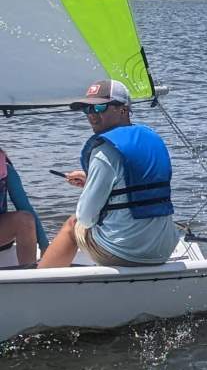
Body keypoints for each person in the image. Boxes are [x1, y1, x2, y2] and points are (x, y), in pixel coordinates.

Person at [37, 79, 183, 269]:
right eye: (87, 109)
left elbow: (86, 217)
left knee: (73, 225)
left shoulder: (104, 152)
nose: (91, 115)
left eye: (99, 108)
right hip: (164, 248)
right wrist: (91, 181)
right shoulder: (153, 138)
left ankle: (39, 281)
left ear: (123, 109)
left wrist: (91, 189)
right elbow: (135, 186)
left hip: (125, 253)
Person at [0, 147, 48, 267]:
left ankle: (28, 275)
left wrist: (44, 245)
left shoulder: (5, 168)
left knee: (25, 219)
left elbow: (25, 207)